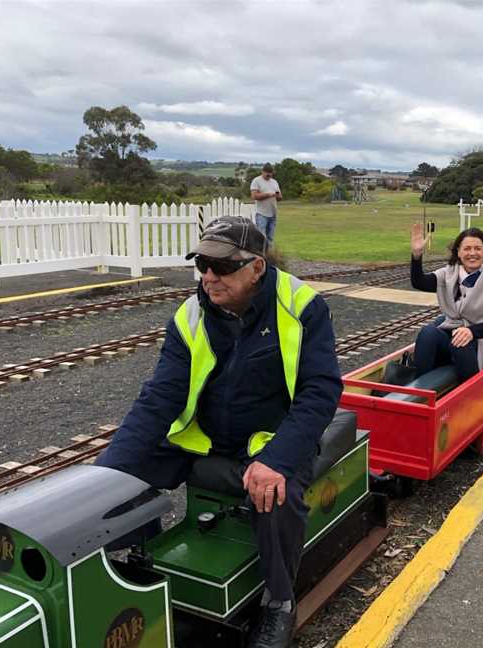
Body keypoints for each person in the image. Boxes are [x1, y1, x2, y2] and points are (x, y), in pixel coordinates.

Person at [97, 216, 340, 648]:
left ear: (256, 267)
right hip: (205, 437)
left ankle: (279, 601)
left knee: (276, 495)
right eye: (202, 265)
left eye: (222, 266)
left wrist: (278, 460)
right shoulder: (189, 316)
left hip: (273, 440)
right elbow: (159, 397)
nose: (209, 277)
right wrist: (103, 479)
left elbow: (319, 392)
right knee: (124, 471)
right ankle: (137, 562)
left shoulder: (302, 306)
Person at [409, 223, 483, 381]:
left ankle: (470, 394)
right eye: (467, 249)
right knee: (428, 332)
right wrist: (416, 256)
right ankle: (420, 389)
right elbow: (420, 282)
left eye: (477, 248)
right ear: (458, 252)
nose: (472, 253)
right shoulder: (449, 273)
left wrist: (472, 331)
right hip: (452, 331)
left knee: (460, 343)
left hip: (481, 339)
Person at [251, 163, 282, 246]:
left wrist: (278, 196)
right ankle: (261, 256)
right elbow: (254, 196)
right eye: (267, 172)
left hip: (273, 213)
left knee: (270, 238)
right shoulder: (256, 181)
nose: (269, 174)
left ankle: (269, 256)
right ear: (262, 171)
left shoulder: (274, 182)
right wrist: (268, 195)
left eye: (270, 172)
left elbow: (279, 198)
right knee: (261, 237)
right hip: (262, 214)